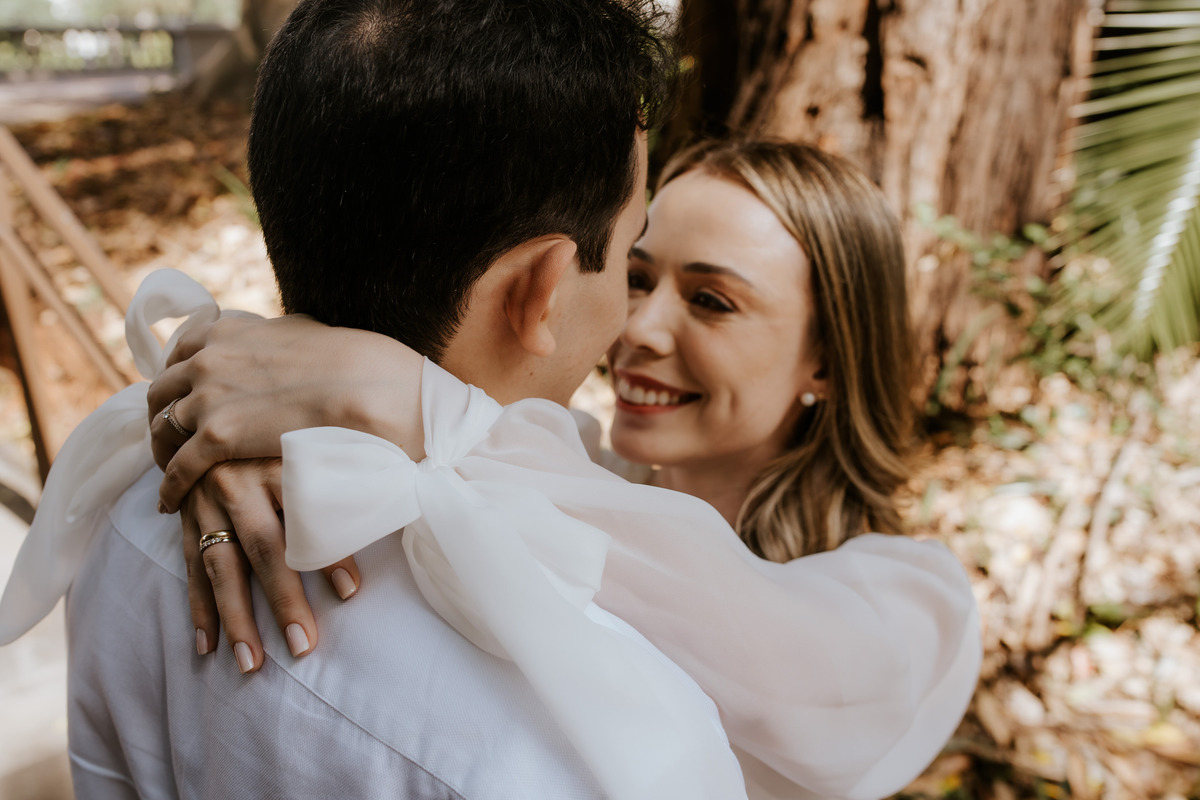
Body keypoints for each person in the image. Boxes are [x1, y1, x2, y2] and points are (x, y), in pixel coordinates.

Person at [0, 0, 754, 797]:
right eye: (629, 260)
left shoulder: (125, 500)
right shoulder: (620, 746)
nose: (631, 317)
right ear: (543, 287)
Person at [147, 137, 981, 800]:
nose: (638, 329)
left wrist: (412, 406)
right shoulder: (566, 463)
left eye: (711, 301)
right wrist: (239, 420)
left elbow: (791, 666)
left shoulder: (914, 602)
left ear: (828, 359)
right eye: (637, 276)